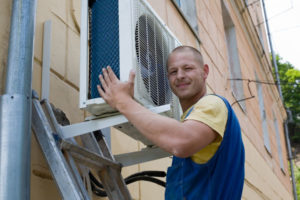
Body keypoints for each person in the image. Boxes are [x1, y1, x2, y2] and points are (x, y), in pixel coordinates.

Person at [97, 46, 245, 200]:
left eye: (187, 68)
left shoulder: (214, 104)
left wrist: (123, 102)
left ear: (205, 71)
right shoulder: (188, 120)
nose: (180, 76)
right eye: (173, 72)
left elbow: (181, 141)